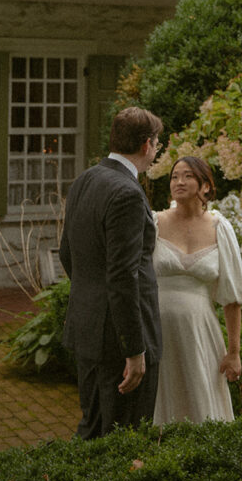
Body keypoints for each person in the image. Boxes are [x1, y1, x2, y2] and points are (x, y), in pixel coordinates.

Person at [59, 106, 164, 439]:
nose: (156, 151)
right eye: (157, 144)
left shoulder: (84, 180)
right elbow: (123, 277)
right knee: (123, 438)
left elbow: (67, 253)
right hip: (119, 342)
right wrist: (134, 350)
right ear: (147, 145)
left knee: (92, 429)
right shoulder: (127, 194)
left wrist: (92, 301)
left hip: (88, 330)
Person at [152, 155, 242, 425]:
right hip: (158, 331)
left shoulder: (220, 228)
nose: (179, 182)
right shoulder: (153, 223)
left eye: (188, 176)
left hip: (200, 332)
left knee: (202, 405)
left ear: (205, 186)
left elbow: (232, 299)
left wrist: (233, 352)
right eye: (174, 177)